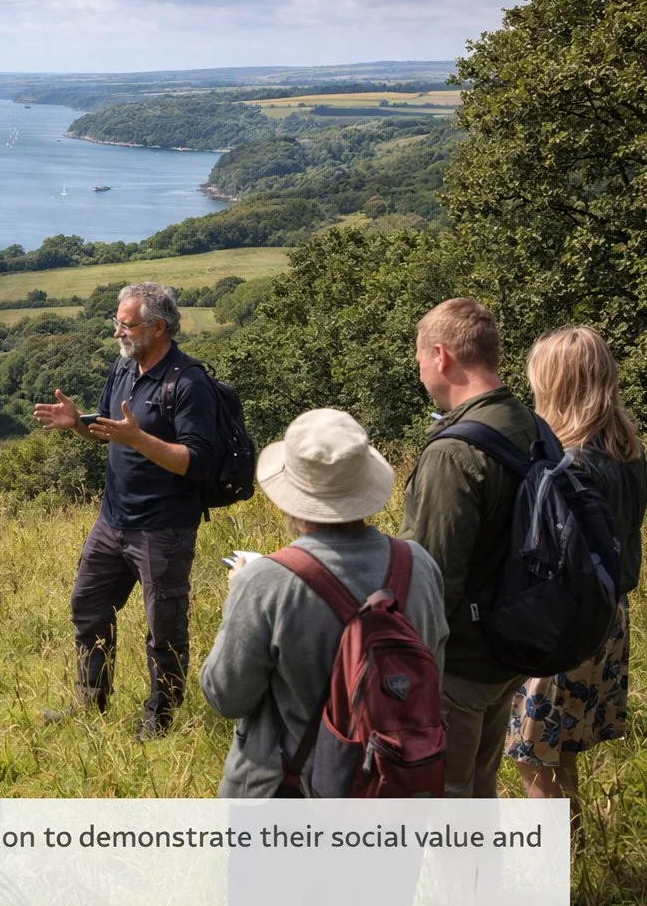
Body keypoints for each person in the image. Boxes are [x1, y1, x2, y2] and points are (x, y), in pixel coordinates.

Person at [200, 408, 449, 796]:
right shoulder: (418, 564)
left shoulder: (264, 582)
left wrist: (240, 591)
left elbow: (225, 695)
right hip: (392, 792)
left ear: (291, 494)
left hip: (284, 796)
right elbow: (433, 676)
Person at [33, 282, 216, 735]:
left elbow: (196, 462)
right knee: (87, 607)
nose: (118, 332)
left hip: (164, 528)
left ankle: (162, 719)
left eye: (127, 324)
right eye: (117, 322)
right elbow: (107, 431)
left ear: (158, 327)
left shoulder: (188, 382)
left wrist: (139, 439)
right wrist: (76, 424)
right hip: (112, 520)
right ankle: (91, 703)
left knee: (164, 629)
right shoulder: (123, 367)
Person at [505, 326, 647, 814]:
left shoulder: (566, 464)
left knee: (535, 758)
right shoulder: (628, 452)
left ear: (556, 384)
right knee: (560, 752)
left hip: (562, 627)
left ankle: (556, 880)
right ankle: (575, 866)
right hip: (610, 618)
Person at [398, 298, 535, 798]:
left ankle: (466, 880)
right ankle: (485, 877)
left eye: (417, 358)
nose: (419, 370)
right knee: (479, 788)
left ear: (441, 356)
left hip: (459, 661)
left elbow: (432, 577)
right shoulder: (530, 424)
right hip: (511, 646)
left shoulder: (455, 452)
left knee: (446, 802)